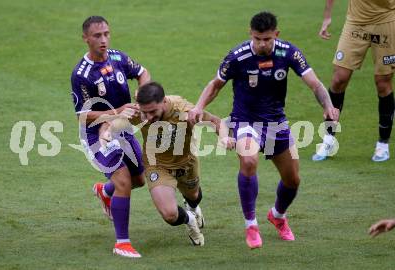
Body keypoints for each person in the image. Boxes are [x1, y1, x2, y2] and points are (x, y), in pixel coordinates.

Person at [188, 11, 339, 249]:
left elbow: (315, 84)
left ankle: (277, 216)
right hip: (244, 120)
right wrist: (199, 106)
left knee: (293, 180)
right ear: (251, 34)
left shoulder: (289, 52)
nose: (262, 44)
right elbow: (215, 85)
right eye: (257, 38)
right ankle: (251, 224)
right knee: (249, 162)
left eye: (267, 39)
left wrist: (328, 106)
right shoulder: (238, 56)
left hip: (276, 122)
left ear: (276, 35)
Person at [70, 15, 150, 258]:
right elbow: (83, 116)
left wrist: (142, 91)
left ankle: (105, 191)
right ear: (85, 38)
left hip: (122, 130)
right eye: (97, 36)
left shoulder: (118, 58)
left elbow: (143, 72)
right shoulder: (81, 74)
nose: (103, 40)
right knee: (124, 181)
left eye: (106, 34)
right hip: (97, 136)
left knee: (138, 181)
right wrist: (117, 111)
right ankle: (122, 243)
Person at [131, 81, 221, 246]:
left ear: (164, 101)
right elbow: (113, 117)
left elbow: (214, 121)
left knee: (194, 196)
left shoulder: (183, 111)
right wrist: (105, 131)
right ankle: (190, 219)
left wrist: (225, 137)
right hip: (156, 165)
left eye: (153, 112)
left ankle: (192, 207)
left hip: (185, 162)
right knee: (170, 215)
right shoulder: (138, 112)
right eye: (145, 112)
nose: (149, 117)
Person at [313, 0, 395, 162]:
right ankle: (328, 140)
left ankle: (383, 144)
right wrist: (327, 16)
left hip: (386, 22)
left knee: (383, 83)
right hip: (356, 23)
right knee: (338, 79)